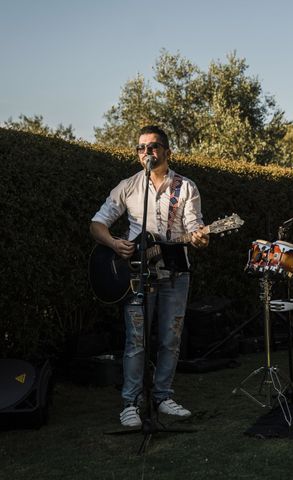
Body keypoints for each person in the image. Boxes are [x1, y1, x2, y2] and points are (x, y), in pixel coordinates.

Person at [90, 125, 209, 427]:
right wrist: (116, 243)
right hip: (136, 276)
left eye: (153, 146)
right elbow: (97, 224)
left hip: (175, 274)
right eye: (141, 148)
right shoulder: (128, 186)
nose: (147, 152)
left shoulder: (185, 187)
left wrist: (200, 237)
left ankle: (163, 396)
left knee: (170, 339)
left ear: (167, 152)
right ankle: (131, 402)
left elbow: (196, 228)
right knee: (136, 340)